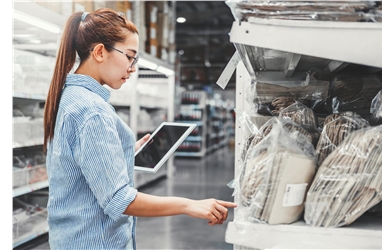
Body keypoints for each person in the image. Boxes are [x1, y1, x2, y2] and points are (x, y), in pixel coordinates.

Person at [43, 8, 237, 250]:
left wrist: (122, 150)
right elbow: (118, 200)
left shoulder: (71, 97)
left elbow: (77, 162)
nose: (133, 67)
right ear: (100, 52)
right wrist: (189, 205)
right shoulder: (92, 110)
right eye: (130, 56)